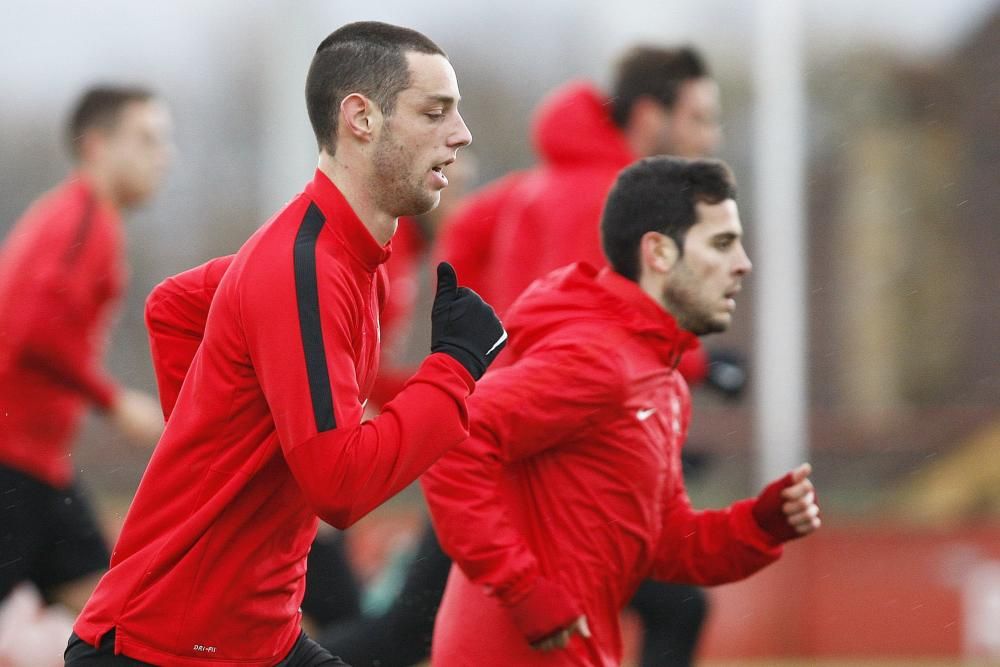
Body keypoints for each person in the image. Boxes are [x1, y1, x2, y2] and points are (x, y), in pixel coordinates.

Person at [67, 21, 503, 667]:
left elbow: (176, 308)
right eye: (435, 112)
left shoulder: (346, 257)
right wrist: (455, 367)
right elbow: (342, 487)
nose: (460, 135)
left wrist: (232, 449)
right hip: (164, 649)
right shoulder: (308, 266)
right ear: (361, 118)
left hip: (253, 641)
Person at [421, 156, 822, 666]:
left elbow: (662, 542)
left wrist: (758, 525)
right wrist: (523, 590)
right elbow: (455, 437)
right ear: (657, 252)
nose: (742, 263)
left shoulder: (664, 383)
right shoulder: (596, 356)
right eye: (721, 244)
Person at [0, 85, 170, 624]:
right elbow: (29, 329)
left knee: (113, 615)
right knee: (117, 618)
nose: (162, 156)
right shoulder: (83, 222)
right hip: (12, 462)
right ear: (97, 145)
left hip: (39, 468)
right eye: (146, 139)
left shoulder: (84, 218)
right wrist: (113, 401)